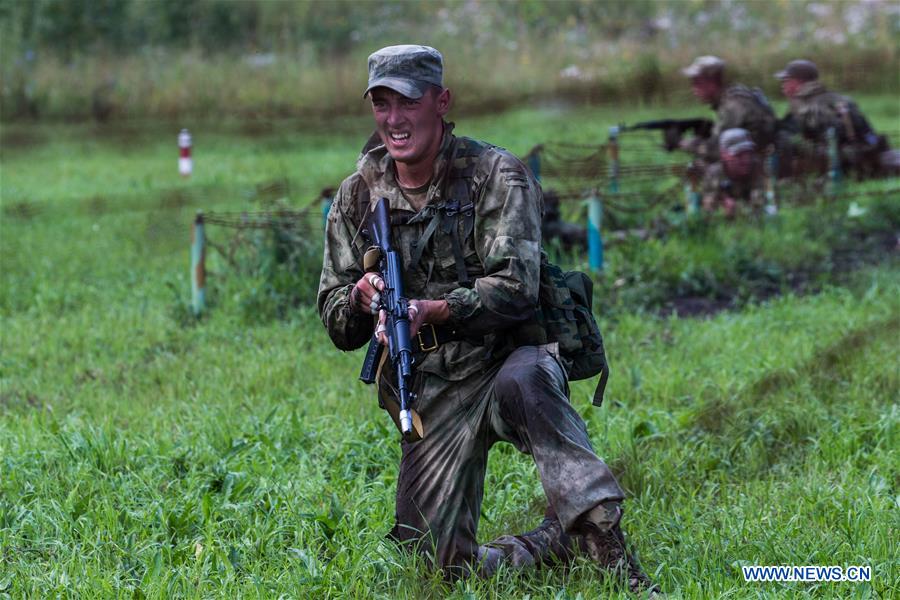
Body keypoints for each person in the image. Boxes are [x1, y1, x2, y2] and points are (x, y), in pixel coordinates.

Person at [317, 45, 657, 593]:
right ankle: (551, 545)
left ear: (441, 101)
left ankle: (610, 553)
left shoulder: (496, 175)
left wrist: (436, 310)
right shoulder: (358, 194)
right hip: (434, 386)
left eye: (407, 102)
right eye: (382, 104)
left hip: (506, 359)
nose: (395, 120)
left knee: (530, 381)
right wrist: (359, 300)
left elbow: (517, 289)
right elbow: (334, 317)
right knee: (440, 569)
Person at [775, 59, 892, 178]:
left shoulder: (808, 105)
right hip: (864, 152)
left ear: (797, 82)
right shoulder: (835, 99)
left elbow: (828, 142)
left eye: (786, 80)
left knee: (783, 137)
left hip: (844, 160)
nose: (782, 85)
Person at [679, 56, 777, 164]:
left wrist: (683, 143)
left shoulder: (732, 105)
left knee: (705, 166)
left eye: (697, 82)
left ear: (711, 82)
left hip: (759, 162)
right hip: (756, 155)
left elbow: (716, 151)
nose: (693, 88)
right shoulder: (731, 95)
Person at [701, 129, 766, 218]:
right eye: (739, 155)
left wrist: (738, 209)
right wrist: (722, 206)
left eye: (749, 153)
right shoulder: (714, 173)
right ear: (724, 154)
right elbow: (706, 208)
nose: (746, 160)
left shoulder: (756, 168)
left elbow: (763, 206)